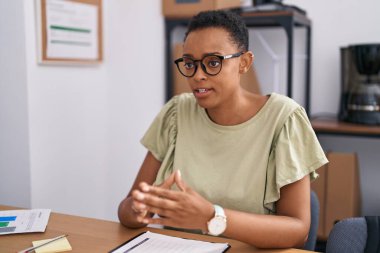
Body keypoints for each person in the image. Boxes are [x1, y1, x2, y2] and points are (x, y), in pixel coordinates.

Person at [118, 9, 328, 249]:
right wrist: (136, 210)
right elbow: (126, 210)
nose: (198, 76)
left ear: (244, 62)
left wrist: (213, 217)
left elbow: (297, 230)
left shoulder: (283, 119)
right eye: (189, 64)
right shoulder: (177, 113)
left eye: (213, 63)